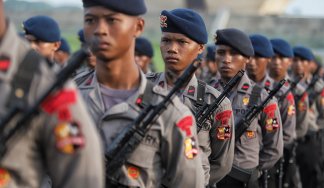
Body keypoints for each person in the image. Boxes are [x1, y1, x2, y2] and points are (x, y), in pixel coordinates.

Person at [77, 1, 204, 187]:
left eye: (112, 20)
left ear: (138, 27)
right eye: (90, 20)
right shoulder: (65, 98)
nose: (100, 30)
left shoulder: (171, 113)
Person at [0, 0, 104, 187]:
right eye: (28, 41)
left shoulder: (54, 87)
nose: (32, 47)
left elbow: (80, 174)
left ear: (56, 45)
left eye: (38, 42)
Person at [147, 8, 234, 187]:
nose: (172, 49)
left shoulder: (216, 103)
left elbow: (222, 163)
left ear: (200, 48)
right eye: (166, 40)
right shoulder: (142, 88)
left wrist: (195, 180)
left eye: (182, 42)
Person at [210, 28, 283, 188]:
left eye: (234, 54)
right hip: (209, 178)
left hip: (243, 178)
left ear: (247, 59)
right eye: (221, 52)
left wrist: (253, 172)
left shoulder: (262, 98)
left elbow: (274, 148)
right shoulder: (206, 93)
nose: (226, 59)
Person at [269, 38, 309, 188]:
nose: (277, 62)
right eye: (273, 57)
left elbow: (301, 125)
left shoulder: (297, 90)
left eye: (282, 58)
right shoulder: (256, 90)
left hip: (287, 148)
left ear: (289, 61)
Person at [292, 46, 324, 188]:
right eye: (295, 60)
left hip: (308, 140)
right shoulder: (285, 86)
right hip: (287, 140)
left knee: (311, 178)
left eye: (303, 61)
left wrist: (311, 127)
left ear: (311, 64)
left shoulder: (318, 87)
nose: (298, 64)